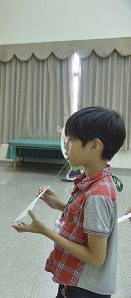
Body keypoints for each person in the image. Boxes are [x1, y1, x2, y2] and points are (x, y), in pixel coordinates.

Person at [13, 106, 126, 297]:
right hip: (77, 283)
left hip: (84, 289)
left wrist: (45, 231)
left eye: (72, 139)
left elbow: (96, 257)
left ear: (94, 145)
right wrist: (59, 204)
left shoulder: (97, 194)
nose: (66, 144)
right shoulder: (92, 181)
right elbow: (87, 218)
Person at [57, 116, 83, 182]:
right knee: (73, 161)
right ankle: (75, 173)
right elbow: (65, 132)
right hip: (71, 148)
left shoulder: (74, 128)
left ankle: (75, 174)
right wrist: (60, 130)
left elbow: (68, 133)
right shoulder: (69, 128)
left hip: (74, 149)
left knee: (74, 160)